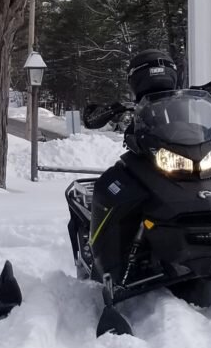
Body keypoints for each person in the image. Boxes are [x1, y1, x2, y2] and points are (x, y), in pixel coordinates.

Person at [77, 49, 188, 275]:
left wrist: (210, 93)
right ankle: (104, 259)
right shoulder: (136, 108)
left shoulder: (186, 103)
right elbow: (91, 120)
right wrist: (112, 110)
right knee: (108, 186)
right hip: (145, 162)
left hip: (183, 163)